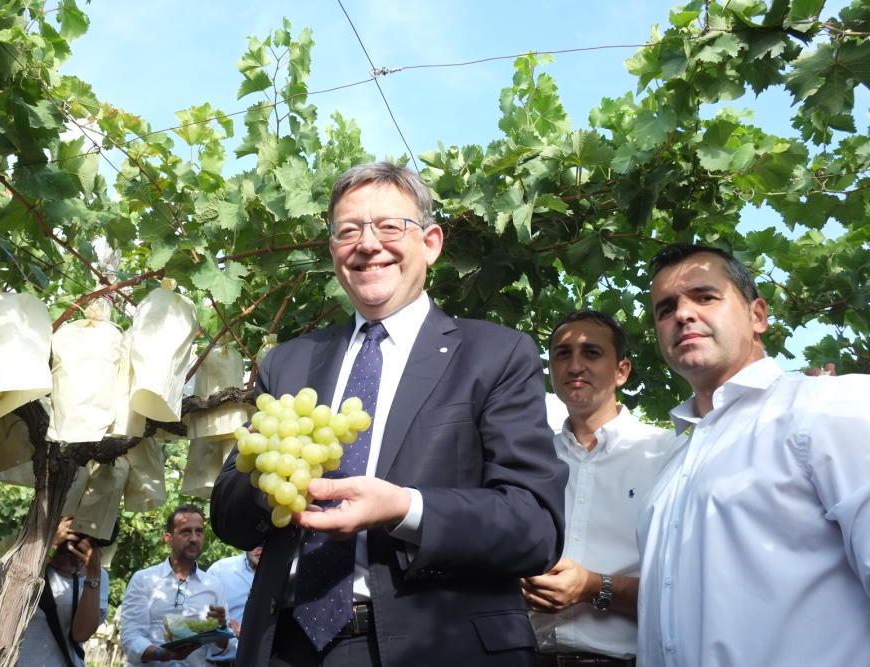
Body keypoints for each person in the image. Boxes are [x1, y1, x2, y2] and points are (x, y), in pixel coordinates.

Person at [211, 161, 567, 667]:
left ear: (431, 243)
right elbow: (230, 517)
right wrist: (271, 476)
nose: (368, 243)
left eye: (390, 226)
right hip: (288, 649)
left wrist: (405, 508)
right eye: (348, 230)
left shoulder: (496, 355)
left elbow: (534, 526)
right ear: (333, 250)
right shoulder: (289, 361)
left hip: (440, 649)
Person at [638, 243, 870, 665]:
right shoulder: (674, 464)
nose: (683, 314)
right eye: (665, 308)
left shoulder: (828, 407)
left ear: (757, 316)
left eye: (705, 296)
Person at [521, 311, 678, 666]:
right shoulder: (529, 460)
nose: (575, 366)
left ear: (622, 371)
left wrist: (594, 586)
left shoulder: (667, 455)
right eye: (563, 354)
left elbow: (686, 588)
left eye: (591, 353)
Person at [121, 504, 231, 666]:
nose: (194, 538)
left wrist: (221, 630)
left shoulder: (214, 585)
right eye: (186, 531)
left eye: (199, 531)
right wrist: (163, 654)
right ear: (168, 538)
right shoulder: (144, 580)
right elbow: (131, 637)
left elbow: (220, 650)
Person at [9, 516, 110, 667]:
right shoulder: (22, 563)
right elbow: (13, 594)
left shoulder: (97, 574)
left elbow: (81, 633)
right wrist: (50, 546)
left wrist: (93, 573)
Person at [205, 546, 263, 665]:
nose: (259, 548)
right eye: (255, 541)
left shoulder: (287, 573)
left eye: (265, 542)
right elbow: (201, 619)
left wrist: (247, 635)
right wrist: (224, 629)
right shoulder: (220, 570)